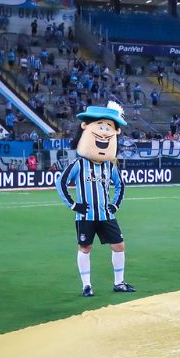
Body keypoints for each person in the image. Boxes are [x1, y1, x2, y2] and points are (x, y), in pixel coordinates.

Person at [56, 102, 133, 297]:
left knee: (119, 245)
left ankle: (119, 282)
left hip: (106, 214)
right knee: (85, 247)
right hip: (86, 216)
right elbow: (61, 184)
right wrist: (73, 205)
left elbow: (120, 185)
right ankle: (86, 286)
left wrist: (115, 204)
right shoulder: (79, 164)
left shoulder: (110, 166)